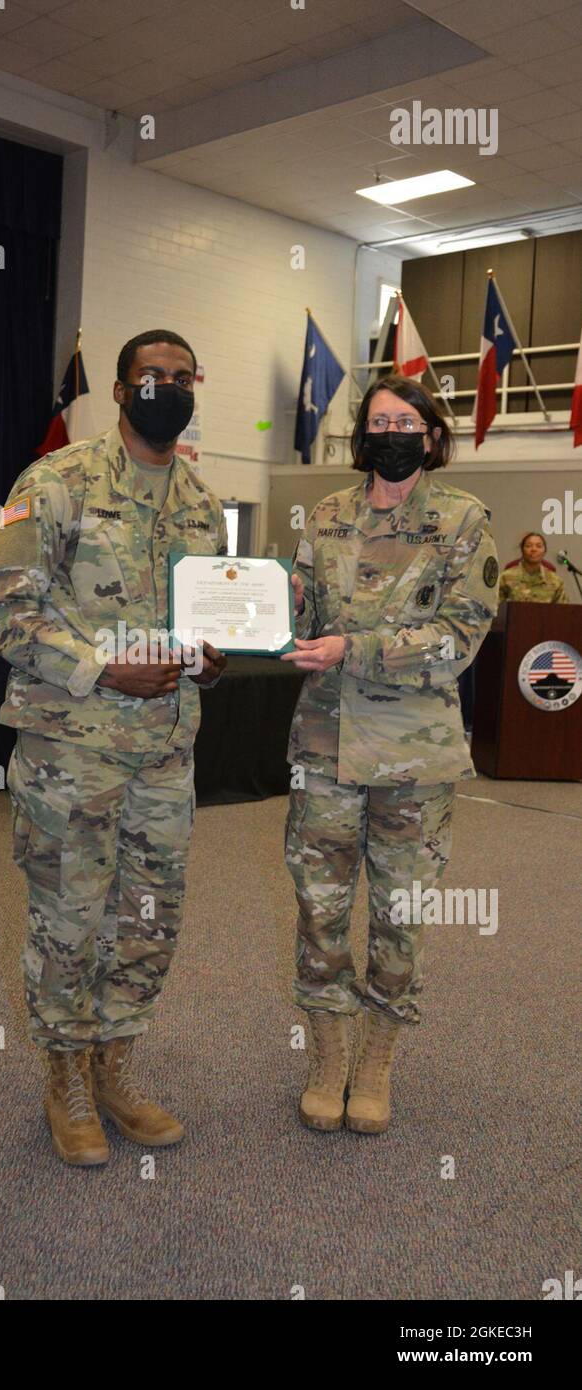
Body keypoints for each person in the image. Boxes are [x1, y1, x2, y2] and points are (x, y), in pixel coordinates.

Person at [0, 329, 227, 1167]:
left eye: (182, 376)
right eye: (151, 375)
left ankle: (117, 1065)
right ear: (120, 391)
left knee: (148, 921)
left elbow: (205, 621)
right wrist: (100, 668)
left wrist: (214, 656)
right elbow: (0, 610)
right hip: (71, 751)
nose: (167, 387)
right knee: (69, 921)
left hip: (164, 754)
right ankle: (66, 1080)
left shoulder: (200, 499)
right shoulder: (56, 482)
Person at [283, 374, 498, 1135]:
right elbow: (300, 605)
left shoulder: (463, 520)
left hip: (413, 755)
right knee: (322, 907)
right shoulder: (329, 513)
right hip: (324, 744)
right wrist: (254, 611)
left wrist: (356, 648)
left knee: (402, 913)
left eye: (405, 421)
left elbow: (459, 638)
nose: (390, 432)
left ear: (432, 437)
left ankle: (377, 1057)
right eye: (377, 421)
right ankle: (328, 1054)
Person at [498, 531, 567, 604]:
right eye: (528, 546)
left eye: (539, 546)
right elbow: (495, 608)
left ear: (545, 551)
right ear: (522, 550)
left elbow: (563, 611)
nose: (534, 549)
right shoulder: (506, 577)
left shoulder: (556, 581)